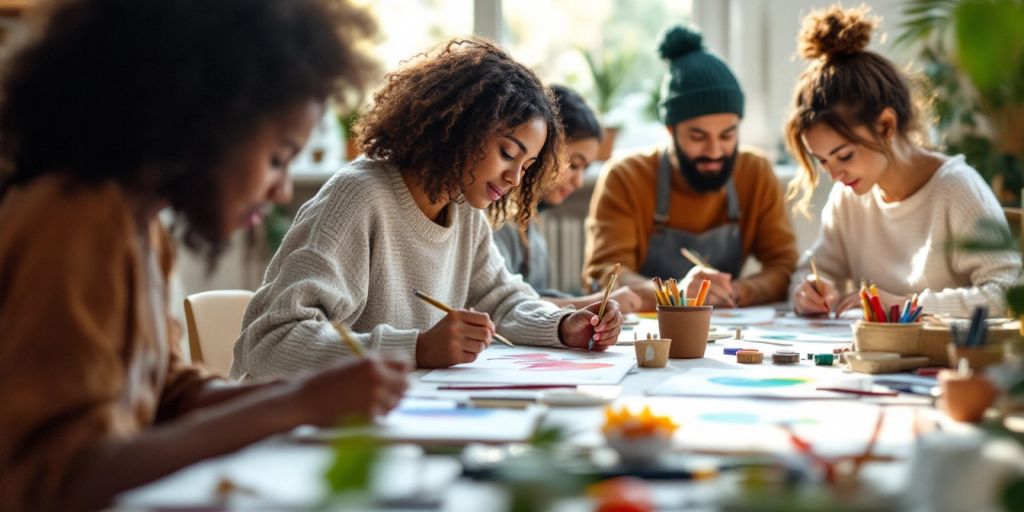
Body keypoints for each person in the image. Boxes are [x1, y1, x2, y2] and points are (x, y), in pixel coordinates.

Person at [0, 1, 411, 510]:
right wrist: (296, 403)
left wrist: (316, 392)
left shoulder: (143, 227)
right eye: (278, 158)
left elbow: (169, 394)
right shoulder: (75, 218)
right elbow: (60, 477)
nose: (283, 189)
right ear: (207, 120)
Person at [231, 38, 624, 378]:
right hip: (292, 429)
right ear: (462, 128)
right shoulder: (360, 197)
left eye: (527, 167)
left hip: (384, 413)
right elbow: (271, 342)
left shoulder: (464, 208)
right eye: (508, 153)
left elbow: (502, 300)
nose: (515, 179)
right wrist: (415, 348)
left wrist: (562, 326)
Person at [786, 5, 1022, 318]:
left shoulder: (956, 189)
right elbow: (811, 270)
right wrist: (809, 289)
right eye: (822, 161)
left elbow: (1007, 293)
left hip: (954, 362)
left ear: (886, 126)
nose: (834, 173)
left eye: (844, 155)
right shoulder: (849, 196)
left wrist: (904, 305)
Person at [582, 25, 798, 311]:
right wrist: (677, 295)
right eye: (698, 136)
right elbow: (604, 274)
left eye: (727, 135)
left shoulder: (756, 172)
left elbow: (785, 267)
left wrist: (738, 291)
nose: (715, 151)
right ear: (670, 129)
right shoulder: (626, 176)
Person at [491, 84, 642, 312]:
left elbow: (534, 295)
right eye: (574, 164)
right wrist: (593, 303)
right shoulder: (494, 220)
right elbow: (500, 304)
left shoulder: (530, 224)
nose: (578, 181)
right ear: (543, 149)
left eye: (585, 169)